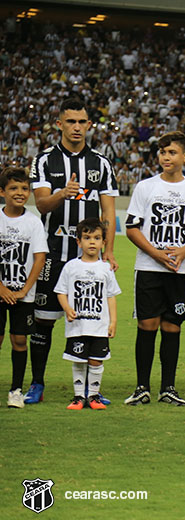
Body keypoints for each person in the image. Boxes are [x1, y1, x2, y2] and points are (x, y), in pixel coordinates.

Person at [26, 97, 119, 405]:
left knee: (92, 320)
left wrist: (110, 252)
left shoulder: (100, 163)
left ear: (89, 125)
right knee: (44, 318)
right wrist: (61, 195)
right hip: (53, 252)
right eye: (71, 121)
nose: (76, 127)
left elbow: (108, 211)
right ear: (60, 124)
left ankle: (91, 390)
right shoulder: (44, 160)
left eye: (82, 122)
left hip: (90, 257)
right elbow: (40, 204)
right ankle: (37, 383)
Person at [124, 131, 185, 406]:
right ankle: (142, 387)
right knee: (147, 324)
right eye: (162, 152)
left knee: (173, 327)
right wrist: (157, 254)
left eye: (172, 152)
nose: (166, 157)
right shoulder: (145, 187)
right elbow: (132, 228)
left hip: (179, 272)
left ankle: (168, 388)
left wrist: (184, 251)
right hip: (148, 269)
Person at [54, 218, 121, 410]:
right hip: (78, 326)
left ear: (103, 242)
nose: (92, 242)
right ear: (78, 241)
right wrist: (67, 308)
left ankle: (93, 396)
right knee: (78, 360)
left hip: (99, 326)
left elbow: (111, 296)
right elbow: (61, 291)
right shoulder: (71, 267)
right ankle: (78, 397)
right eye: (87, 237)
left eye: (97, 238)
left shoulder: (106, 268)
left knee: (96, 360)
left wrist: (113, 322)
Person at [0, 167, 47, 408]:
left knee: (19, 340)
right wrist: (1, 288)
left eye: (25, 189)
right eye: (13, 188)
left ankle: (16, 390)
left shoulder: (34, 222)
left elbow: (39, 259)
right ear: (2, 191)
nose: (20, 193)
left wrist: (22, 291)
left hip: (23, 295)